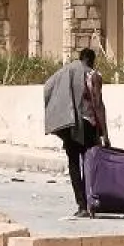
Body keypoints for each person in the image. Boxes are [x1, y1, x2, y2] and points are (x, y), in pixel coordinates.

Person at [43, 48, 109, 216]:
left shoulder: (66, 72)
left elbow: (48, 87)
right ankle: (91, 203)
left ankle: (81, 206)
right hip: (88, 126)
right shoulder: (93, 75)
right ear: (92, 60)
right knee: (89, 164)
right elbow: (98, 105)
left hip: (70, 124)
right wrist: (105, 134)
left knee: (73, 164)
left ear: (80, 58)